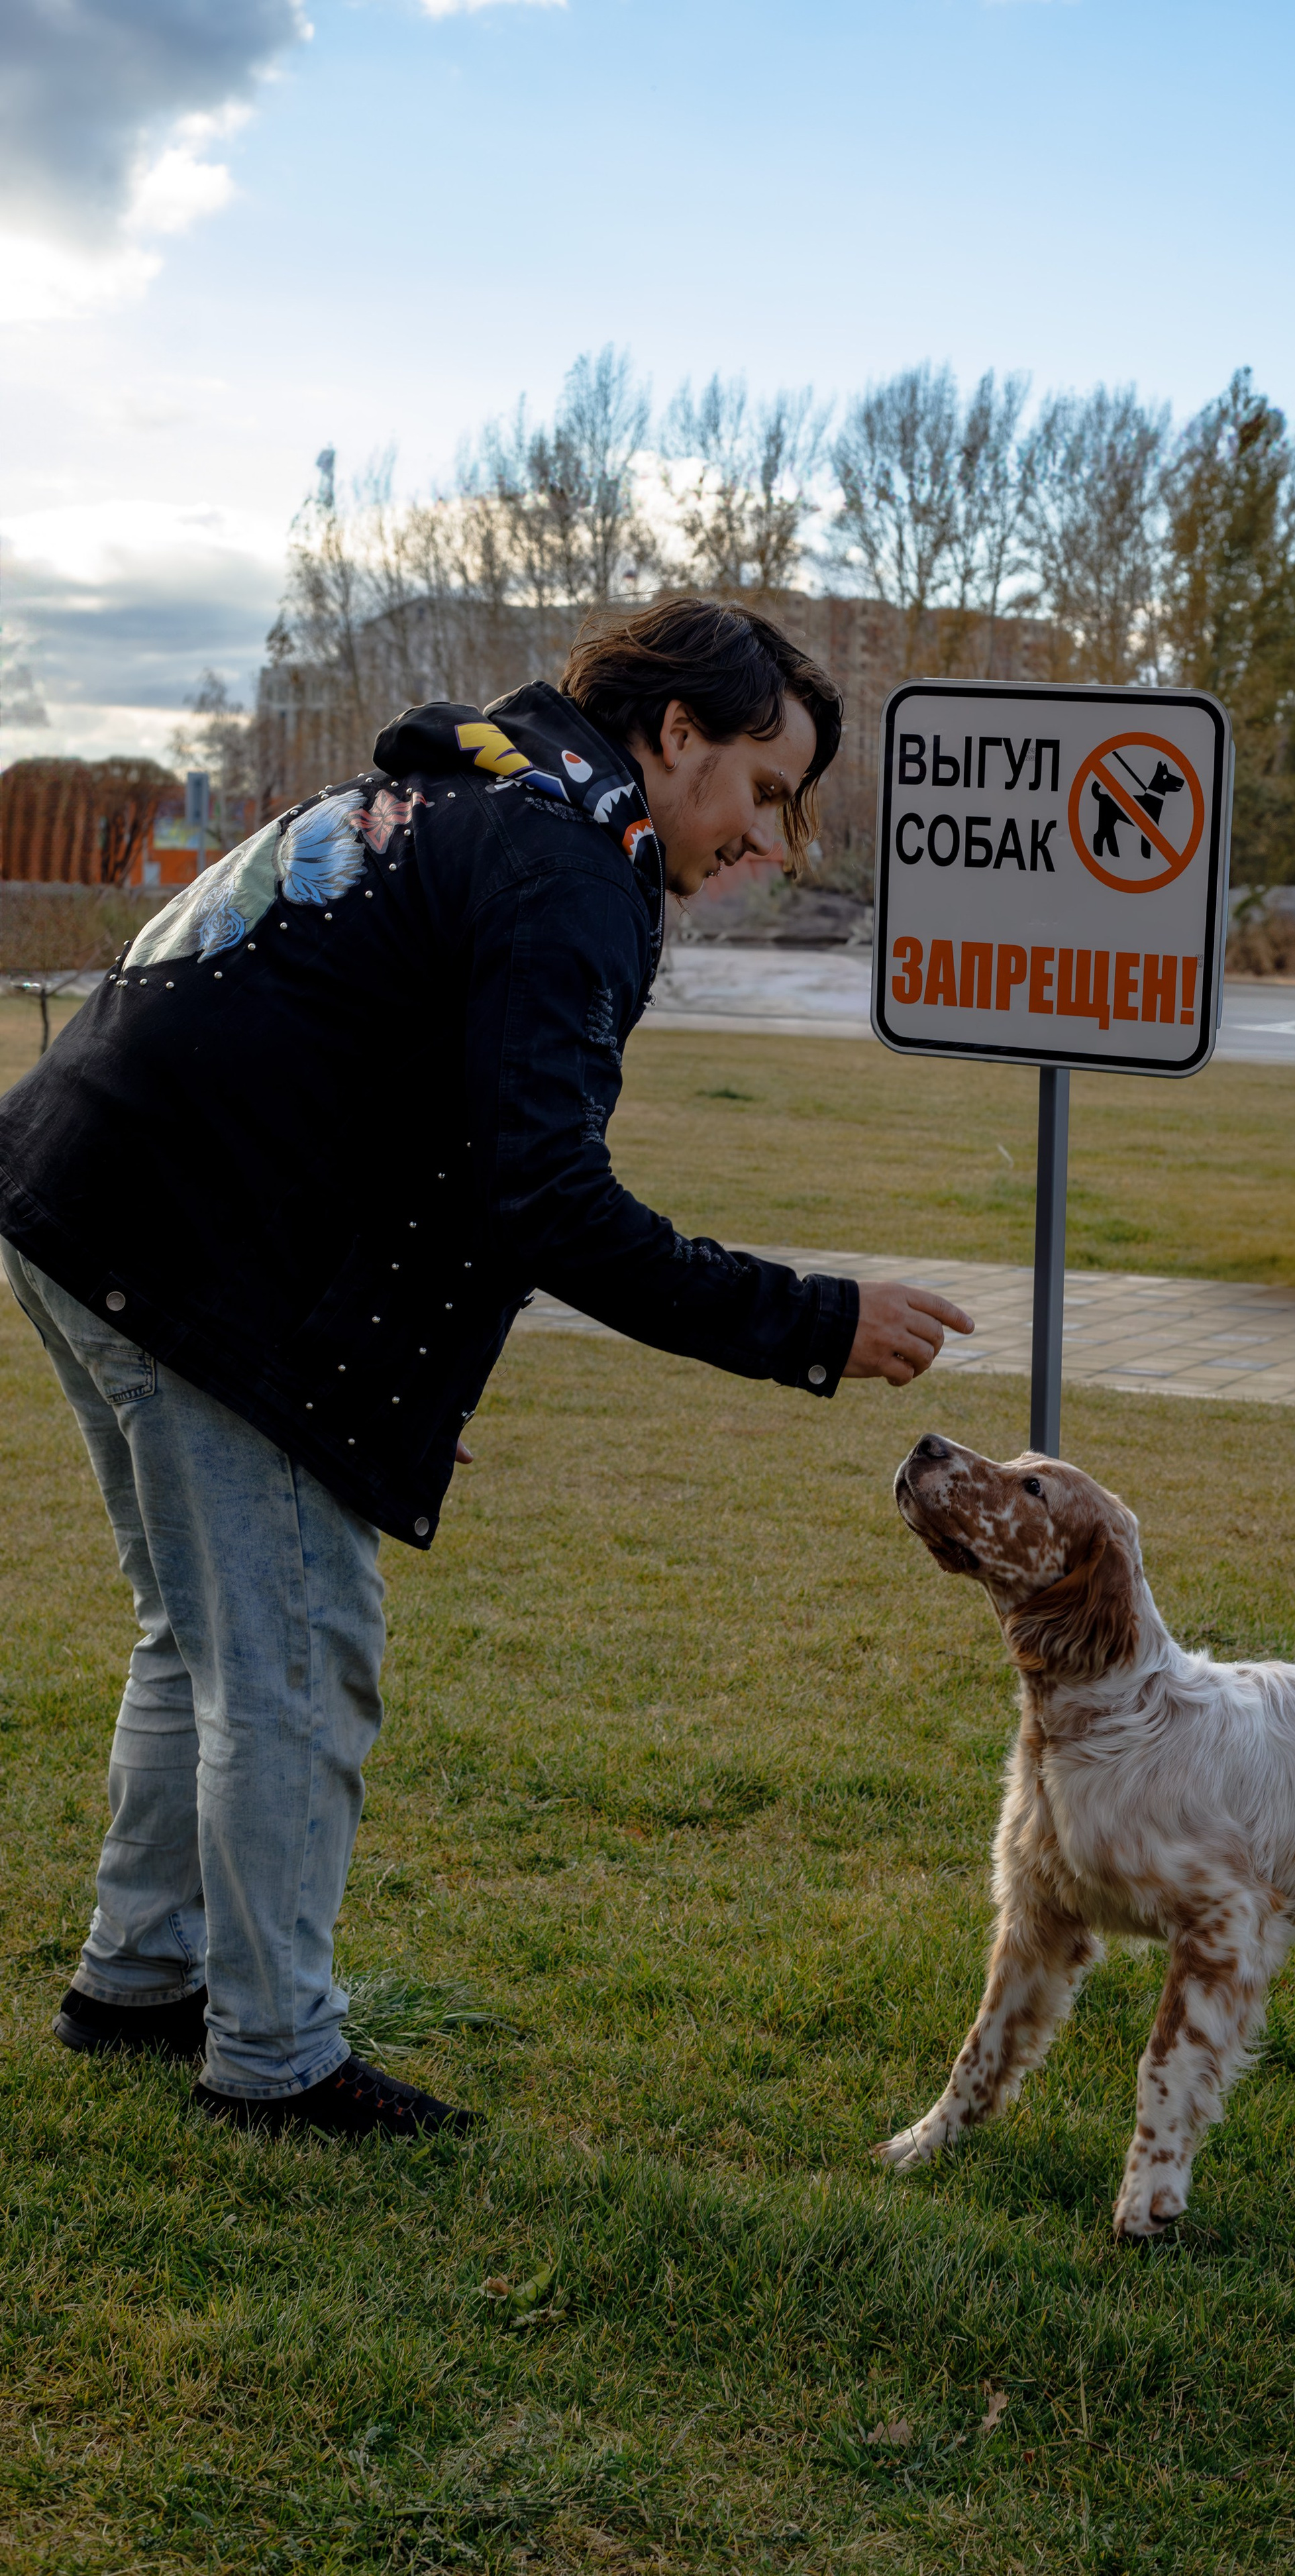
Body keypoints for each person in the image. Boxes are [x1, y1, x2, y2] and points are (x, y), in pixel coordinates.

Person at [0, 595, 973, 2140]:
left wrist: (388, 1381)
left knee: (202, 1636)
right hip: (182, 1239)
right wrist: (814, 1321)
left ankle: (139, 1982)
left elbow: (422, 1149)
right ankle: (273, 2062)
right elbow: (549, 1202)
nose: (770, 842)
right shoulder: (567, 868)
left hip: (73, 1187)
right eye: (766, 792)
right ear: (675, 739)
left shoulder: (466, 796)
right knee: (298, 1654)